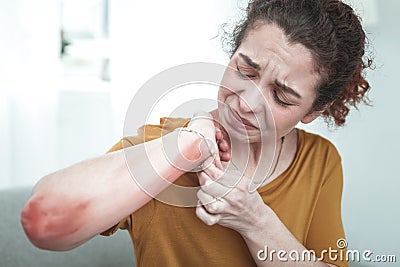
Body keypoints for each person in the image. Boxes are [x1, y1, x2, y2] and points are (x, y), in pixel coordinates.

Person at [21, 0, 372, 266]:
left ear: (313, 111)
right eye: (245, 70)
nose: (249, 102)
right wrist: (186, 145)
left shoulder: (320, 161)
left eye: (281, 96)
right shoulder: (159, 147)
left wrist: (255, 221)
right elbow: (44, 220)